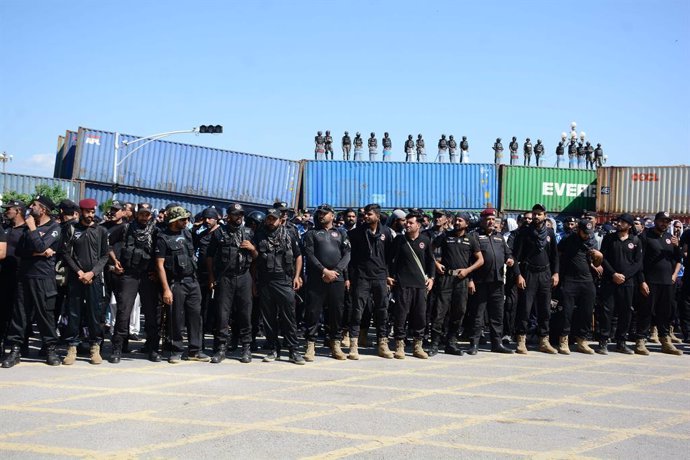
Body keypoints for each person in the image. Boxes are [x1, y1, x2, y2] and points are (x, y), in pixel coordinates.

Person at [2, 196, 61, 368]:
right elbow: (21, 251)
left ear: (43, 209)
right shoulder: (28, 227)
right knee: (19, 315)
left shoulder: (54, 228)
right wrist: (37, 252)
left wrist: (34, 231)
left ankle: (50, 349)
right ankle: (15, 350)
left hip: (43, 278)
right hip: (25, 276)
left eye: (34, 205)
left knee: (45, 315)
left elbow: (41, 246)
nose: (31, 207)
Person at [155, 206, 210, 363]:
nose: (187, 222)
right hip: (176, 283)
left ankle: (195, 350)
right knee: (175, 317)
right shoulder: (163, 238)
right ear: (174, 221)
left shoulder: (186, 233)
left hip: (192, 281)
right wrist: (166, 289)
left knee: (195, 317)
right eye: (183, 219)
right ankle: (175, 350)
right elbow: (159, 265)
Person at [109, 203, 161, 363]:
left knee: (152, 314)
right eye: (142, 214)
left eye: (147, 214)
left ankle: (152, 348)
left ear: (150, 215)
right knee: (123, 312)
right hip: (129, 274)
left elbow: (163, 252)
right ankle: (118, 348)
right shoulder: (125, 228)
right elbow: (107, 242)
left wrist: (158, 272)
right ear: (137, 214)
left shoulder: (156, 231)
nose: (144, 217)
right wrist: (115, 261)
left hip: (148, 277)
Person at [251, 208, 304, 364]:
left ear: (280, 219)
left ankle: (294, 351)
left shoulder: (290, 234)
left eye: (274, 218)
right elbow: (254, 261)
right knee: (268, 318)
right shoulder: (259, 236)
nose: (271, 221)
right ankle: (273, 349)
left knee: (289, 317)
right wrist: (254, 282)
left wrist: (297, 276)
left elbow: (298, 256)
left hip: (284, 280)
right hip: (266, 281)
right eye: (269, 218)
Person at [60, 199, 110, 365]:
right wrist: (80, 272)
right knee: (73, 313)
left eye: (92, 212)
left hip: (94, 279)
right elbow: (66, 253)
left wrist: (92, 273)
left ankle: (95, 347)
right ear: (80, 212)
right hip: (76, 278)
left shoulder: (101, 230)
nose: (90, 215)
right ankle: (72, 347)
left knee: (94, 313)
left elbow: (104, 256)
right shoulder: (71, 228)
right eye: (87, 212)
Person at [429, 212, 483, 356]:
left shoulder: (471, 239)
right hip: (446, 278)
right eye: (456, 220)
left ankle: (451, 343)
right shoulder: (445, 236)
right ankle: (434, 344)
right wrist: (435, 264)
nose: (457, 223)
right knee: (440, 311)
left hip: (462, 280)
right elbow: (429, 250)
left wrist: (467, 271)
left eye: (460, 220)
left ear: (466, 223)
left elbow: (480, 260)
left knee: (459, 312)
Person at [206, 203, 254, 364]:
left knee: (245, 314)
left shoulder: (249, 233)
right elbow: (210, 256)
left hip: (244, 276)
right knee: (222, 314)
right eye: (235, 214)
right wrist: (212, 277)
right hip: (225, 278)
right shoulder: (219, 232)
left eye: (240, 214)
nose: (238, 217)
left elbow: (257, 257)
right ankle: (221, 348)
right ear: (228, 215)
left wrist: (252, 248)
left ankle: (246, 348)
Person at [302, 204, 351, 361]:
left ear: (332, 215)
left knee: (337, 312)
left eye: (325, 213)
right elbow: (309, 254)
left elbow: (347, 254)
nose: (321, 216)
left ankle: (335, 344)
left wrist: (335, 271)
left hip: (337, 278)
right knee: (313, 311)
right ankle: (310, 344)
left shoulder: (341, 233)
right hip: (317, 278)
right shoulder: (311, 233)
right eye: (319, 213)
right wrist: (324, 271)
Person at [347, 203, 395, 359]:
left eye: (369, 214)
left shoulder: (387, 233)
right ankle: (353, 345)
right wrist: (350, 278)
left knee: (382, 310)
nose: (365, 217)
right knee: (357, 311)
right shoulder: (355, 234)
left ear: (378, 216)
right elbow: (350, 258)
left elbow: (389, 257)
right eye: (364, 214)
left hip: (380, 277)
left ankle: (382, 343)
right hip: (361, 277)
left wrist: (387, 274)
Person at [512, 203, 559, 354]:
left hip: (545, 274)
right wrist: (518, 275)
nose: (536, 216)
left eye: (539, 214)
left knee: (545, 309)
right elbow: (516, 257)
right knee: (525, 308)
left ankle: (544, 340)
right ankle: (521, 340)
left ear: (545, 215)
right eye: (534, 213)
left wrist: (556, 273)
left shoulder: (550, 233)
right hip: (529, 274)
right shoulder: (524, 232)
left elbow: (555, 256)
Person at [467, 209, 514, 355]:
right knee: (478, 314)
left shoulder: (499, 237)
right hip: (480, 282)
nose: (491, 222)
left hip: (497, 282)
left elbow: (508, 253)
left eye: (493, 219)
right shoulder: (474, 236)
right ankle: (474, 344)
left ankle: (496, 343)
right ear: (482, 220)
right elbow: (468, 260)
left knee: (497, 314)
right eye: (488, 219)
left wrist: (510, 259)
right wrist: (470, 280)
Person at [636, 211, 683, 355]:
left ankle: (665, 341)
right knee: (646, 312)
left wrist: (677, 247)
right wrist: (642, 281)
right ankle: (640, 341)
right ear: (656, 221)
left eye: (667, 222)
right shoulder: (645, 236)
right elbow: (639, 261)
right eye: (662, 221)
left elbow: (678, 259)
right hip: (650, 281)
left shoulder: (671, 238)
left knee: (665, 313)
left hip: (667, 282)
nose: (665, 224)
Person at [389, 212, 435, 359]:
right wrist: (388, 277)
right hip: (403, 284)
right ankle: (399, 345)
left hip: (420, 285)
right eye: (406, 222)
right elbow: (389, 259)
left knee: (420, 316)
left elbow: (431, 261)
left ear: (418, 225)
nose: (407, 225)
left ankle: (417, 346)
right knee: (401, 315)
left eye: (410, 223)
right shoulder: (399, 240)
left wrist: (432, 278)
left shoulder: (425, 240)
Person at [557, 219, 602, 355]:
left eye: (589, 232)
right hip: (570, 280)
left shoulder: (592, 241)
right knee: (567, 312)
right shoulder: (568, 240)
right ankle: (563, 340)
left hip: (587, 281)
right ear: (578, 230)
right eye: (584, 233)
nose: (587, 235)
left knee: (587, 312)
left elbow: (597, 263)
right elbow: (558, 255)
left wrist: (600, 257)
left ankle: (582, 340)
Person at [599, 213, 642, 354]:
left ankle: (621, 342)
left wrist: (625, 276)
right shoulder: (609, 238)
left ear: (629, 225)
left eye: (623, 222)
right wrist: (613, 274)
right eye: (618, 221)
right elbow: (603, 258)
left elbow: (638, 263)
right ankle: (603, 341)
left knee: (625, 312)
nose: (619, 224)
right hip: (610, 281)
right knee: (607, 311)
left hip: (627, 283)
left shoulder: (635, 240)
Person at [0, 200, 26, 357]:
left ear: (18, 211)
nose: (6, 211)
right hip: (4, 275)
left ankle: (20, 345)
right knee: (3, 311)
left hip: (20, 276)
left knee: (19, 312)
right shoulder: (5, 228)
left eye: (9, 209)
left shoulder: (26, 230)